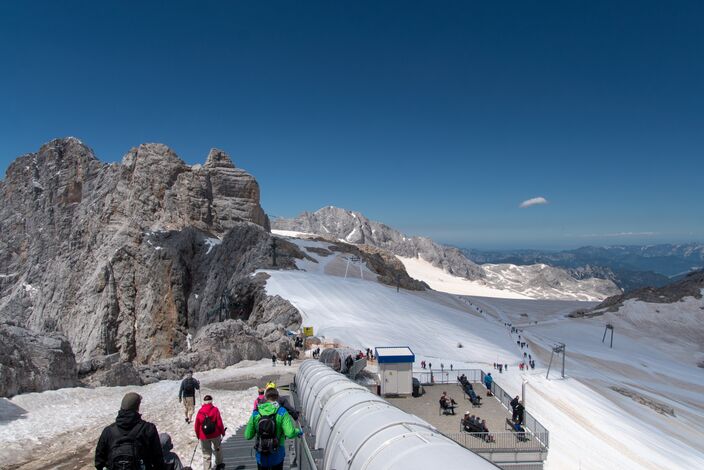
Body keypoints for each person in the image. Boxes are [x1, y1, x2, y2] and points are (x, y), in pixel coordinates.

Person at [95, 392, 165, 470]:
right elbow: (158, 460)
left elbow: (99, 461)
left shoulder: (108, 431)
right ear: (137, 407)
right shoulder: (148, 428)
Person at [245, 387, 303, 470]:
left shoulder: (256, 413)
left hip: (261, 454)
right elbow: (290, 433)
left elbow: (247, 435)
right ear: (277, 397)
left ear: (265, 397)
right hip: (277, 454)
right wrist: (298, 431)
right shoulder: (282, 411)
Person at [194, 395, 226, 470]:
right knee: (218, 449)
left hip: (203, 435)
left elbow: (197, 425)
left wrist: (198, 435)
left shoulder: (200, 411)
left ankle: (207, 468)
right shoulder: (215, 410)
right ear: (211, 401)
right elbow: (219, 422)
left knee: (206, 453)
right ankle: (219, 463)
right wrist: (222, 432)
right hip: (215, 434)